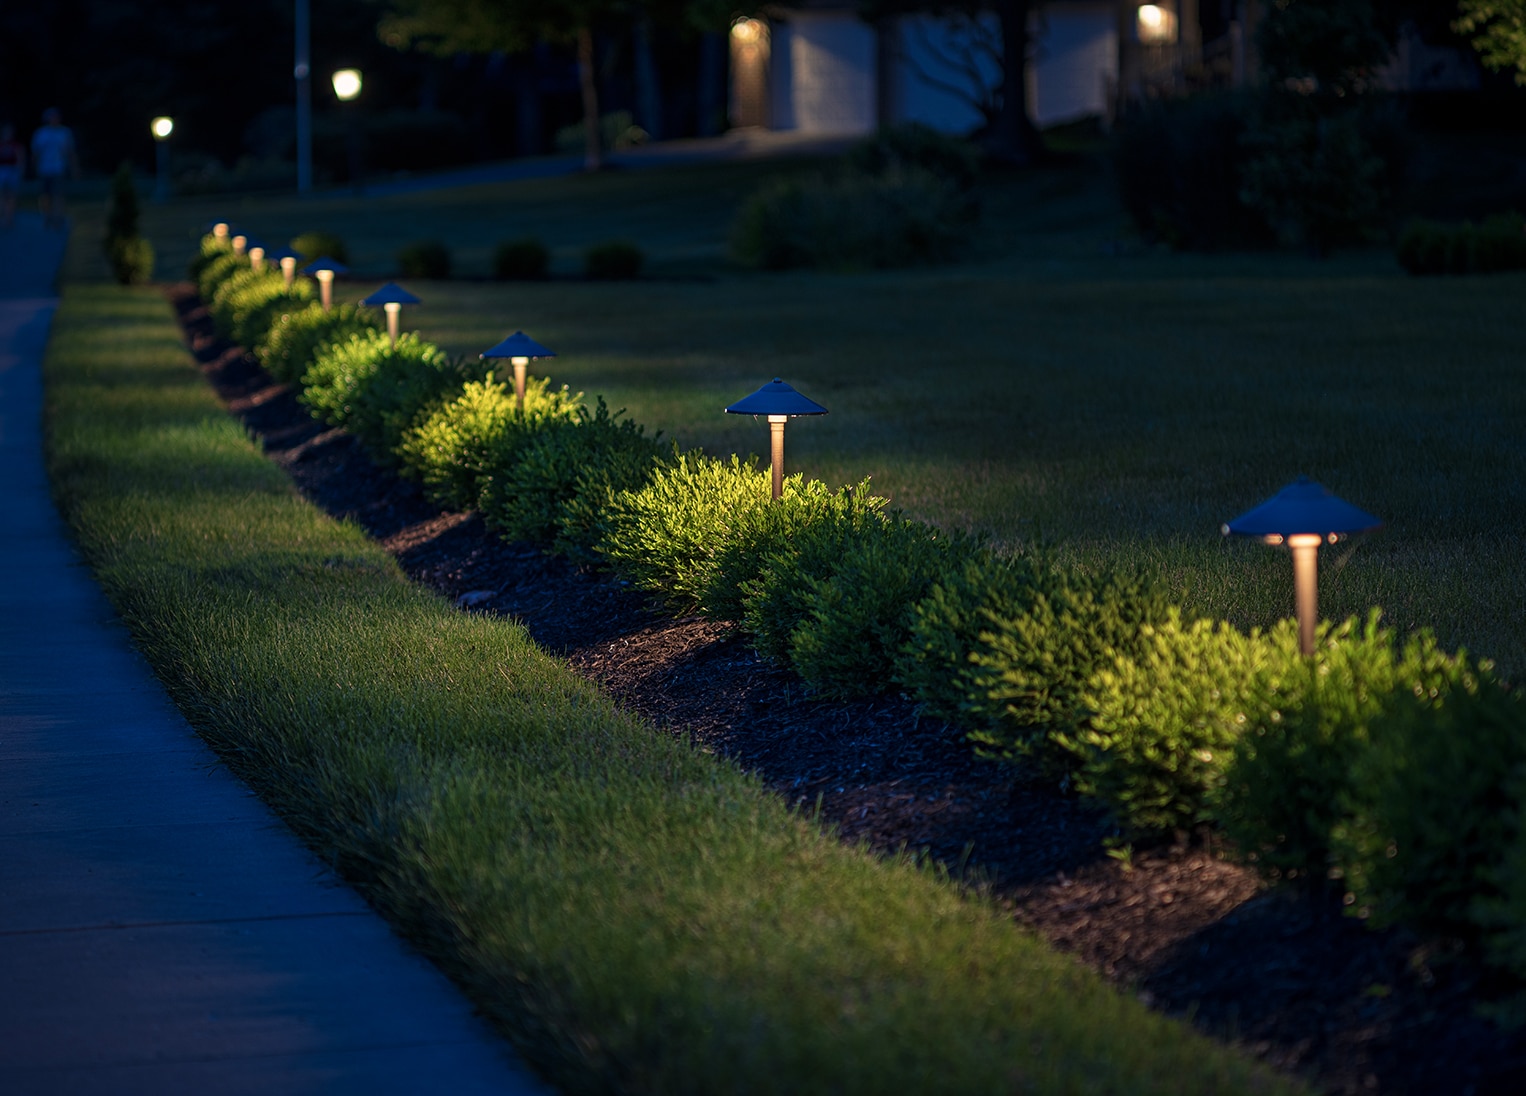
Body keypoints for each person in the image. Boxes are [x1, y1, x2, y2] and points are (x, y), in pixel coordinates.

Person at [31, 108, 77, 229]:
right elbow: (36, 153)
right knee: (45, 195)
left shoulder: (64, 132)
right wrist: (34, 168)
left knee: (58, 194)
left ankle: (58, 217)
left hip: (58, 168)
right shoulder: (41, 133)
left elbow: (70, 151)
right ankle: (47, 217)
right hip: (44, 169)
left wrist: (74, 168)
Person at [0, 123, 23, 228]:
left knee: (11, 195)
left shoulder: (15, 145)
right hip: (2, 170)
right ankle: (5, 215)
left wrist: (19, 171)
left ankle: (10, 216)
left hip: (12, 170)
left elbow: (20, 158)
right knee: (3, 195)